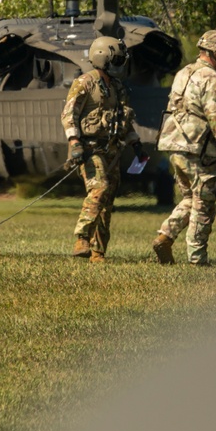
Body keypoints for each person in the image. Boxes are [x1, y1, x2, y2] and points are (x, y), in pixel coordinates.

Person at [152, 30, 216, 266]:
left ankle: (165, 237)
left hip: (174, 143)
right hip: (197, 147)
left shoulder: (183, 73)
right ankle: (197, 258)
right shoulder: (212, 78)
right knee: (204, 202)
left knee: (190, 198)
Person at [61, 36, 141, 263]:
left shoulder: (117, 88)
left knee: (107, 202)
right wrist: (74, 143)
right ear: (103, 59)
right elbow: (69, 115)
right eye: (116, 60)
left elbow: (123, 120)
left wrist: (135, 143)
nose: (120, 65)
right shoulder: (85, 83)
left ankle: (98, 253)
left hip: (113, 152)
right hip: (89, 149)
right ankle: (81, 237)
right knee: (99, 188)